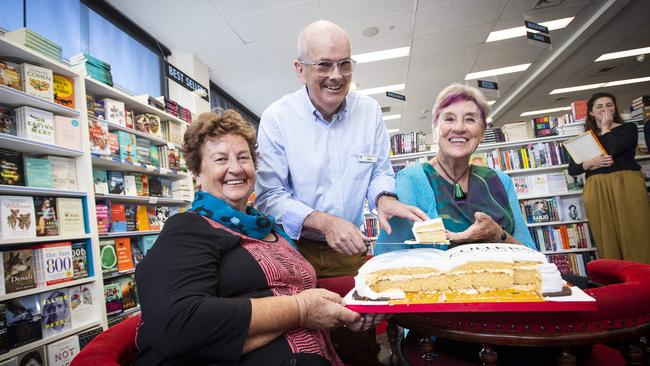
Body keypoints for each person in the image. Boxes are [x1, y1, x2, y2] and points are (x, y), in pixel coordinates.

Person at [135, 110, 381, 366]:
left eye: (244, 158)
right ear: (196, 172)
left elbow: (302, 298)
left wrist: (345, 313)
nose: (236, 168)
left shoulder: (271, 229)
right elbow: (176, 322)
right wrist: (299, 311)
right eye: (220, 159)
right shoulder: (188, 228)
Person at [255, 20, 427, 278]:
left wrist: (384, 198)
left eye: (344, 64)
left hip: (349, 249)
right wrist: (325, 223)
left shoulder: (369, 111)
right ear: (300, 69)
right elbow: (269, 198)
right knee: (302, 317)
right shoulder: (277, 118)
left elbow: (379, 171)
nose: (336, 75)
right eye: (324, 65)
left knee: (361, 316)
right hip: (293, 249)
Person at [376, 83, 535, 252]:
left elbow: (532, 254)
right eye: (449, 119)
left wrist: (499, 235)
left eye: (470, 119)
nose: (459, 128)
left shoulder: (500, 181)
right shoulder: (410, 180)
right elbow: (388, 256)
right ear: (435, 128)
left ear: (482, 131)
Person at [568, 92, 650, 263]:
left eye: (609, 105)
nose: (605, 109)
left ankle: (642, 279)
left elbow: (614, 148)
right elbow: (573, 169)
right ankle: (614, 280)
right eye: (599, 106)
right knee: (605, 233)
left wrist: (605, 128)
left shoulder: (628, 129)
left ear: (615, 108)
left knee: (635, 230)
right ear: (591, 112)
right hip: (597, 186)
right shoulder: (587, 138)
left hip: (626, 182)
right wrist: (591, 162)